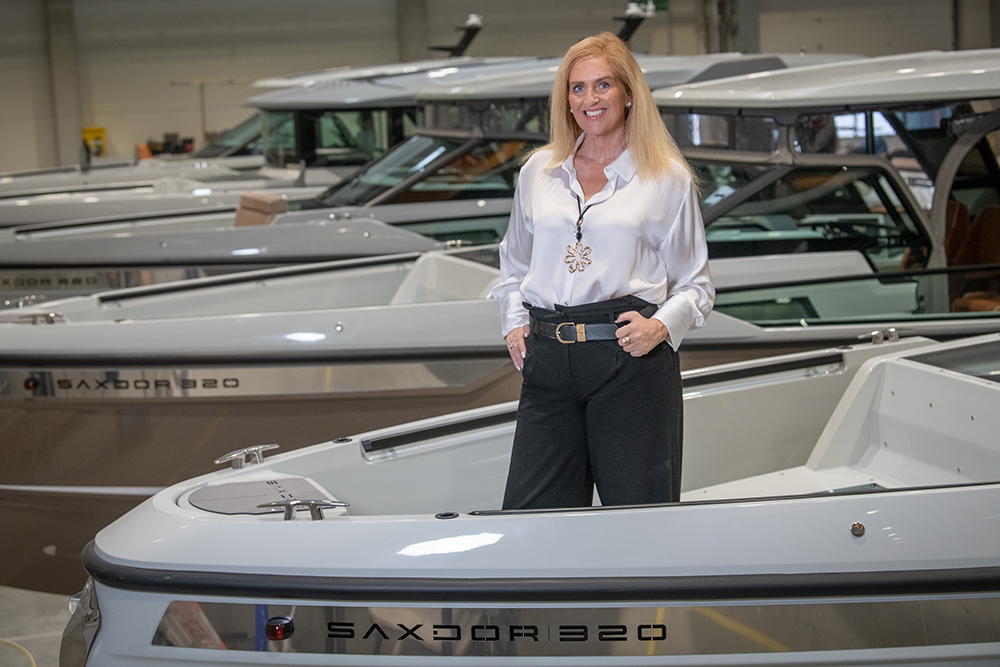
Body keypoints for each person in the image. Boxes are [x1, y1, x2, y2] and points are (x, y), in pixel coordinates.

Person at [489, 32, 714, 510]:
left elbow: (696, 285)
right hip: (547, 360)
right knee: (531, 517)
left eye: (603, 86)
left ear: (628, 93)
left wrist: (659, 327)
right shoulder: (538, 172)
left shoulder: (667, 178)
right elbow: (513, 261)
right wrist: (513, 321)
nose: (589, 99)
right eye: (577, 88)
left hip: (628, 361)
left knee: (637, 515)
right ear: (566, 100)